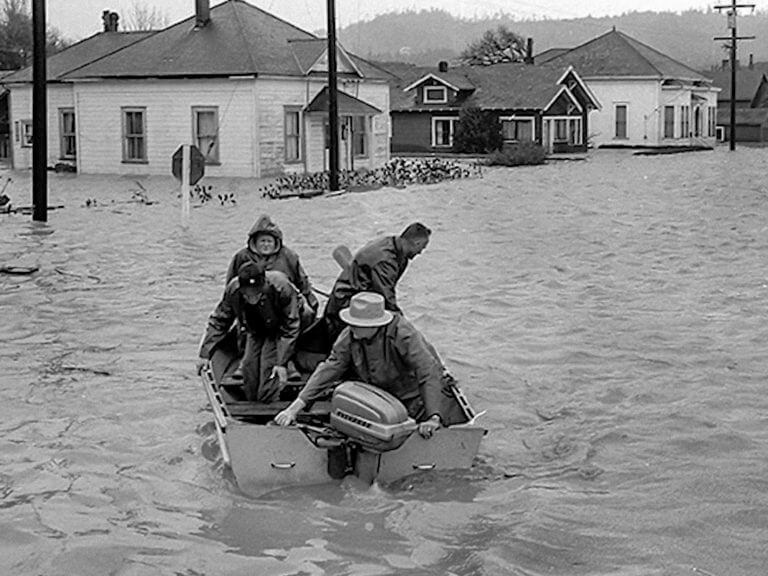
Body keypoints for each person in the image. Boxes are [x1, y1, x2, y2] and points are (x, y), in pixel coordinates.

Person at [275, 291, 445, 439]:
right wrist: (295, 407)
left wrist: (433, 417)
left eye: (358, 325)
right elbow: (330, 368)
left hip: (411, 398)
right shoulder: (350, 335)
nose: (353, 328)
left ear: (375, 325)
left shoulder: (402, 334)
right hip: (377, 398)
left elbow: (427, 371)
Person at [197, 261, 315, 402]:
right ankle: (251, 400)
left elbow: (291, 327)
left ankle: (270, 402)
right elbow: (219, 320)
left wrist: (281, 363)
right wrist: (205, 353)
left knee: (269, 367)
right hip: (255, 327)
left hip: (281, 326)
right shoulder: (233, 290)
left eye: (256, 294)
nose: (252, 298)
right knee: (249, 366)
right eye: (247, 295)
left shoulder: (281, 287)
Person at [323, 222, 431, 341]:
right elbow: (386, 298)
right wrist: (405, 327)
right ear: (417, 243)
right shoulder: (385, 261)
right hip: (347, 304)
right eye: (422, 248)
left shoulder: (394, 246)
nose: (420, 252)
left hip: (360, 295)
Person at [226, 214, 319, 314]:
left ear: (275, 242)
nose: (266, 245)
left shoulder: (289, 256)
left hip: (284, 304)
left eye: (269, 241)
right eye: (262, 241)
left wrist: (310, 303)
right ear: (255, 242)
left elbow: (302, 283)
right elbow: (231, 285)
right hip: (251, 304)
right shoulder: (242, 257)